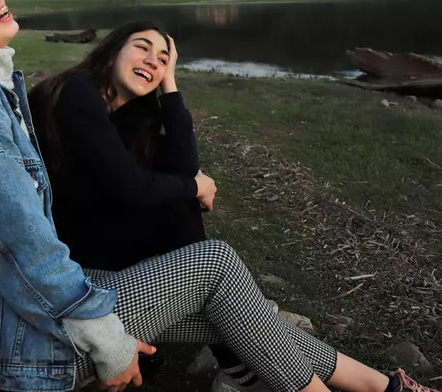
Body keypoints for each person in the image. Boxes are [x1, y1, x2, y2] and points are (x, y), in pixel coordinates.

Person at [0, 0, 438, 392]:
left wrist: (171, 91)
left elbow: (172, 172)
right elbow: (20, 238)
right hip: (13, 340)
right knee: (216, 264)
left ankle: (383, 386)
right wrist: (108, 342)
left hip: (25, 311)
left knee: (235, 321)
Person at [28, 20, 270, 391]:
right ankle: (236, 343)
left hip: (85, 221)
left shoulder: (127, 114)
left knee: (174, 204)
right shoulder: (76, 91)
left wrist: (170, 86)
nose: (153, 62)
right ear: (111, 52)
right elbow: (135, 188)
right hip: (51, 247)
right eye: (142, 48)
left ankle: (232, 328)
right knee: (174, 208)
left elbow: (182, 167)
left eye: (163, 59)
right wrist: (193, 186)